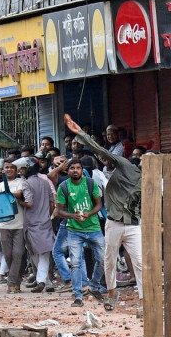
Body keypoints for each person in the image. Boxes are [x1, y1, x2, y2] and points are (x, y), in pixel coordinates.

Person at [66, 114, 142, 313]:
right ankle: (111, 294)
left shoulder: (149, 180)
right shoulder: (125, 165)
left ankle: (143, 300)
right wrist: (80, 133)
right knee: (108, 261)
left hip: (134, 224)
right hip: (114, 222)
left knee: (140, 263)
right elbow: (100, 150)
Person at [54, 157, 105, 307]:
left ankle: (94, 286)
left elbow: (99, 204)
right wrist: (72, 216)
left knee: (102, 260)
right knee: (75, 263)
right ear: (67, 170)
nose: (75, 170)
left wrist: (90, 214)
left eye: (77, 168)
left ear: (82, 170)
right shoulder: (63, 187)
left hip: (94, 228)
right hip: (74, 230)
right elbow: (59, 211)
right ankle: (78, 296)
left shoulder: (91, 184)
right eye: (72, 168)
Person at [20, 158, 55, 293]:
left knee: (37, 253)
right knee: (43, 253)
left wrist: (18, 201)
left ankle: (41, 281)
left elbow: (29, 203)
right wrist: (49, 215)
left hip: (32, 222)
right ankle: (48, 283)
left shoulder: (26, 184)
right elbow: (52, 203)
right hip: (45, 221)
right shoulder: (46, 183)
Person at [0, 161, 26, 292]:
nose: (9, 169)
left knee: (18, 253)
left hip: (19, 224)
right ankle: (16, 282)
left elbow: (20, 194)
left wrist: (6, 195)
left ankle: (11, 282)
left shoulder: (21, 181)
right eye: (7, 167)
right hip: (3, 224)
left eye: (12, 167)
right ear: (3, 170)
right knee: (7, 255)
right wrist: (9, 195)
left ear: (16, 169)